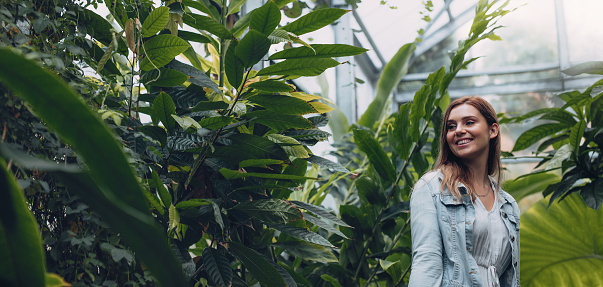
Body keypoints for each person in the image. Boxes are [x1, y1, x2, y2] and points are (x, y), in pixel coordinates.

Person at [408, 96, 520, 287]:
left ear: (492, 130)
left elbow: (510, 278)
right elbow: (426, 264)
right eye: (451, 127)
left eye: (469, 122)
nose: (459, 130)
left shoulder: (508, 205)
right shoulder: (432, 188)